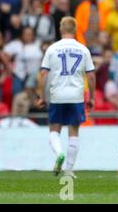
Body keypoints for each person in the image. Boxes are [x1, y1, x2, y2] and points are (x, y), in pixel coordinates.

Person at [36, 17, 96, 178]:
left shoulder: (52, 49)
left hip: (57, 95)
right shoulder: (83, 49)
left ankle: (59, 153)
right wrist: (92, 97)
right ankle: (69, 169)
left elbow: (43, 74)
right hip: (76, 95)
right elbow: (90, 76)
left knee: (54, 130)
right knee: (74, 132)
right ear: (75, 30)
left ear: (61, 29)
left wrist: (42, 96)